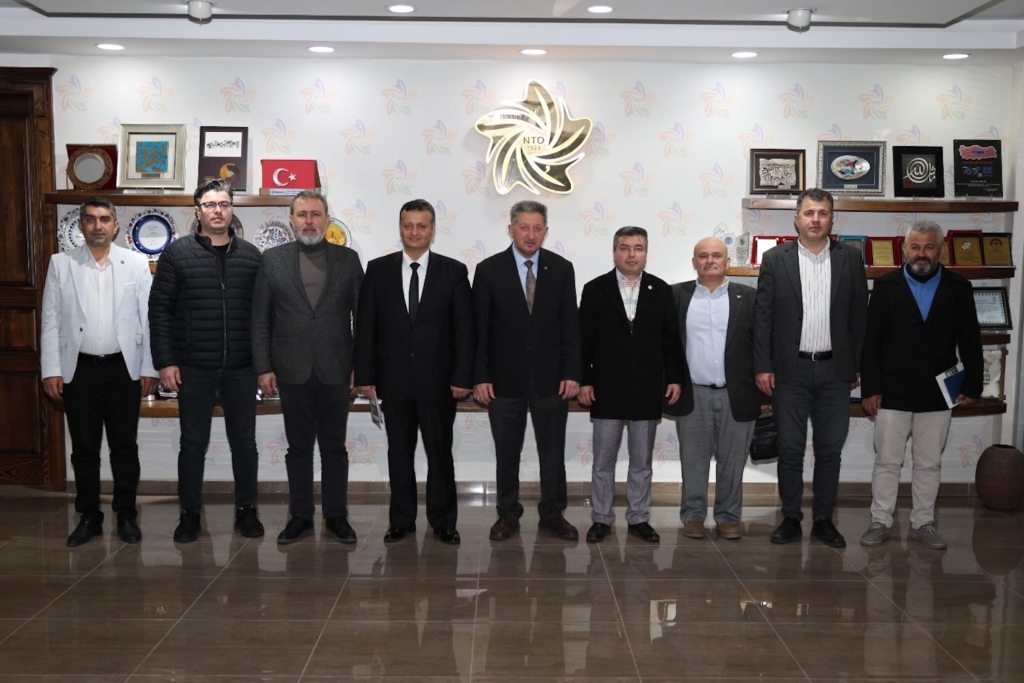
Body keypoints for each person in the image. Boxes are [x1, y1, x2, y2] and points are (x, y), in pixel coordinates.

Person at [149, 179, 264, 543]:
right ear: (197, 211)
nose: (218, 210)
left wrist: (264, 364)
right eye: (210, 204)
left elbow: (263, 316)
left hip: (242, 367)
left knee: (244, 442)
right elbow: (160, 310)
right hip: (193, 366)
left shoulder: (252, 256)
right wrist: (165, 361)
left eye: (224, 204)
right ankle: (189, 513)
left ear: (232, 210)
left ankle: (246, 509)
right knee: (193, 443)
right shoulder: (176, 254)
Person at [354, 199, 474, 546]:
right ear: (400, 228)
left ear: (432, 230)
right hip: (393, 382)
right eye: (408, 225)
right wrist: (365, 376)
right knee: (399, 455)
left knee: (440, 455)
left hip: (439, 384)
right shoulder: (378, 270)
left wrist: (462, 378)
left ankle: (444, 522)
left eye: (422, 225)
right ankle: (401, 521)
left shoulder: (454, 271)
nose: (415, 232)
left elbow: (465, 330)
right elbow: (366, 327)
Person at [754, 187, 868, 548]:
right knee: (789, 448)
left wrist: (855, 365)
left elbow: (859, 317)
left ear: (832, 218)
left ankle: (823, 520)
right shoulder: (775, 259)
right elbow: (763, 318)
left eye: (823, 213)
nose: (815, 219)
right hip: (791, 371)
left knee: (829, 450)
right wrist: (763, 366)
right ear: (796, 218)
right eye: (809, 213)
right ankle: (791, 517)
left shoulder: (851, 258)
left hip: (835, 372)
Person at [41, 197, 159, 547]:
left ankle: (126, 515)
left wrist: (149, 367)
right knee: (84, 449)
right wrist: (51, 368)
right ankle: (89, 516)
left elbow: (148, 319)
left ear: (115, 225)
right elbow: (50, 320)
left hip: (124, 370)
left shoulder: (136, 263)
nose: (97, 226)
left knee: (124, 447)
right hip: (79, 371)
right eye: (90, 219)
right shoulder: (61, 264)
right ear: (81, 225)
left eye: (104, 219)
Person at [859, 220, 983, 550]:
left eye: (929, 247)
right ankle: (880, 521)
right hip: (891, 391)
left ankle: (923, 523)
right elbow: (871, 342)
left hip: (937, 391)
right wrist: (870, 389)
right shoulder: (885, 285)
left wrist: (972, 384)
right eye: (915, 247)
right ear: (904, 249)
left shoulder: (959, 287)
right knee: (887, 461)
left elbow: (971, 340)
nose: (922, 253)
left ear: (941, 249)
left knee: (929, 463)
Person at [252, 190, 363, 545]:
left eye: (316, 214)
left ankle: (336, 516)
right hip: (291, 369)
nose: (309, 221)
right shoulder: (272, 260)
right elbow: (260, 319)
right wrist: (263, 367)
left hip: (337, 369)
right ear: (291, 220)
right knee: (298, 449)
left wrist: (361, 366)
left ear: (327, 220)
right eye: (302, 215)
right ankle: (300, 516)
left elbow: (362, 318)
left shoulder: (348, 260)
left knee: (334, 448)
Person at [472, 200, 582, 541]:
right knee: (507, 453)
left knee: (553, 452)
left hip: (552, 379)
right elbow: (479, 330)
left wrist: (572, 372)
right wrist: (480, 376)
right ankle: (507, 514)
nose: (531, 235)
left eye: (537, 228)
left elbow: (570, 325)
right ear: (511, 229)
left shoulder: (562, 269)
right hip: (503, 380)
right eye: (524, 227)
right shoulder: (488, 270)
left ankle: (553, 514)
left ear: (545, 231)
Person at [578, 226, 683, 543]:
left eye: (638, 248)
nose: (631, 254)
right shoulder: (595, 289)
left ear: (646, 253)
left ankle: (638, 518)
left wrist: (675, 377)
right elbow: (583, 342)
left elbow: (671, 340)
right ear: (614, 252)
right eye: (624, 248)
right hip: (606, 389)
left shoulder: (661, 290)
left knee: (641, 462)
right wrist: (584, 381)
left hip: (647, 389)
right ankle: (601, 518)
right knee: (603, 462)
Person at [666, 237, 765, 541]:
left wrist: (765, 394)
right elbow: (665, 344)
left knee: (733, 461)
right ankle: (693, 516)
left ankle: (728, 517)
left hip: (737, 393)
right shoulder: (675, 296)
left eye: (717, 255)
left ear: (727, 261)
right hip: (692, 393)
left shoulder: (748, 297)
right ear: (694, 262)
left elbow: (762, 345)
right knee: (693, 460)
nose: (710, 261)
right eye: (703, 255)